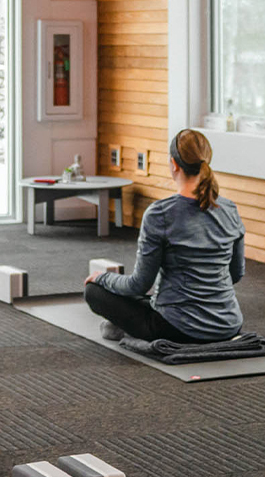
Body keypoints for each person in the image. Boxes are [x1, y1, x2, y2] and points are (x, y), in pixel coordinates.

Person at [86, 128, 246, 343]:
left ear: (174, 164)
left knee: (94, 291)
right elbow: (235, 274)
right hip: (229, 325)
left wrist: (102, 278)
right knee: (147, 298)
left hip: (177, 329)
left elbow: (139, 284)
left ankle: (119, 325)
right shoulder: (229, 209)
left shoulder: (160, 214)